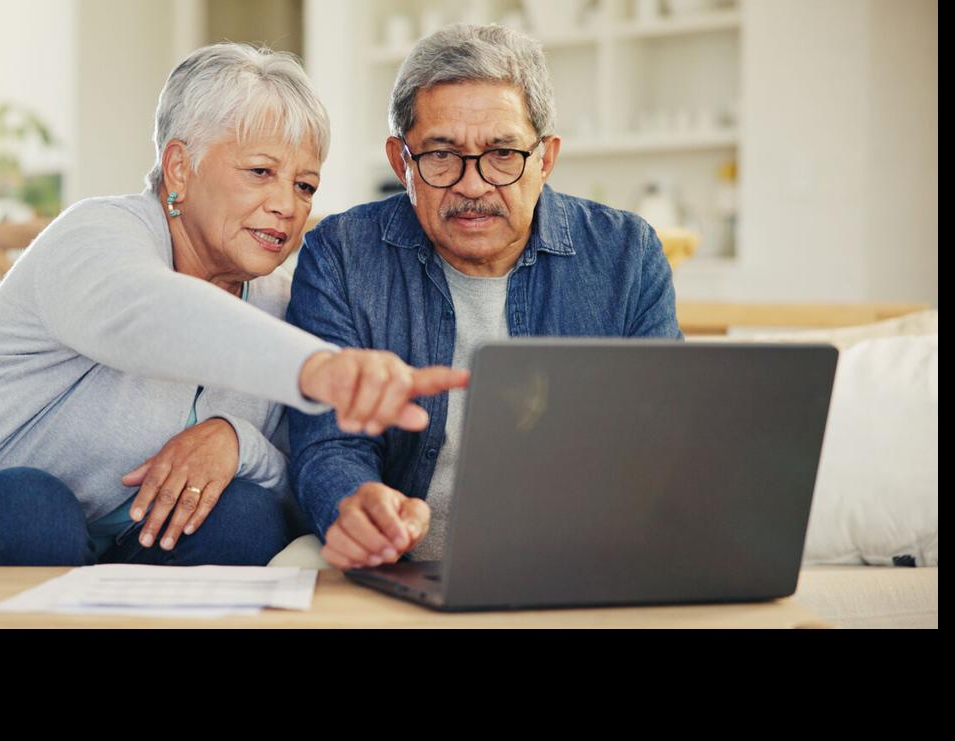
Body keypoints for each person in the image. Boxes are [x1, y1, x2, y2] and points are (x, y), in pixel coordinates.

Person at [0, 43, 468, 567]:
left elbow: (294, 472)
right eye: (260, 171)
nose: (288, 203)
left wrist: (234, 439)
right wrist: (320, 368)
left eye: (304, 185)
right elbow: (146, 314)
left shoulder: (278, 302)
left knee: (248, 515)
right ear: (179, 167)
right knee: (36, 505)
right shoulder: (95, 238)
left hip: (112, 548)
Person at [286, 24, 682, 571]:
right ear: (402, 164)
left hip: (579, 569)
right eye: (441, 155)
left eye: (501, 154)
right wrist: (354, 503)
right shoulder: (341, 255)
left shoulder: (626, 254)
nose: (473, 186)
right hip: (402, 571)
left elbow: (661, 438)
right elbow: (327, 442)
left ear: (545, 159)